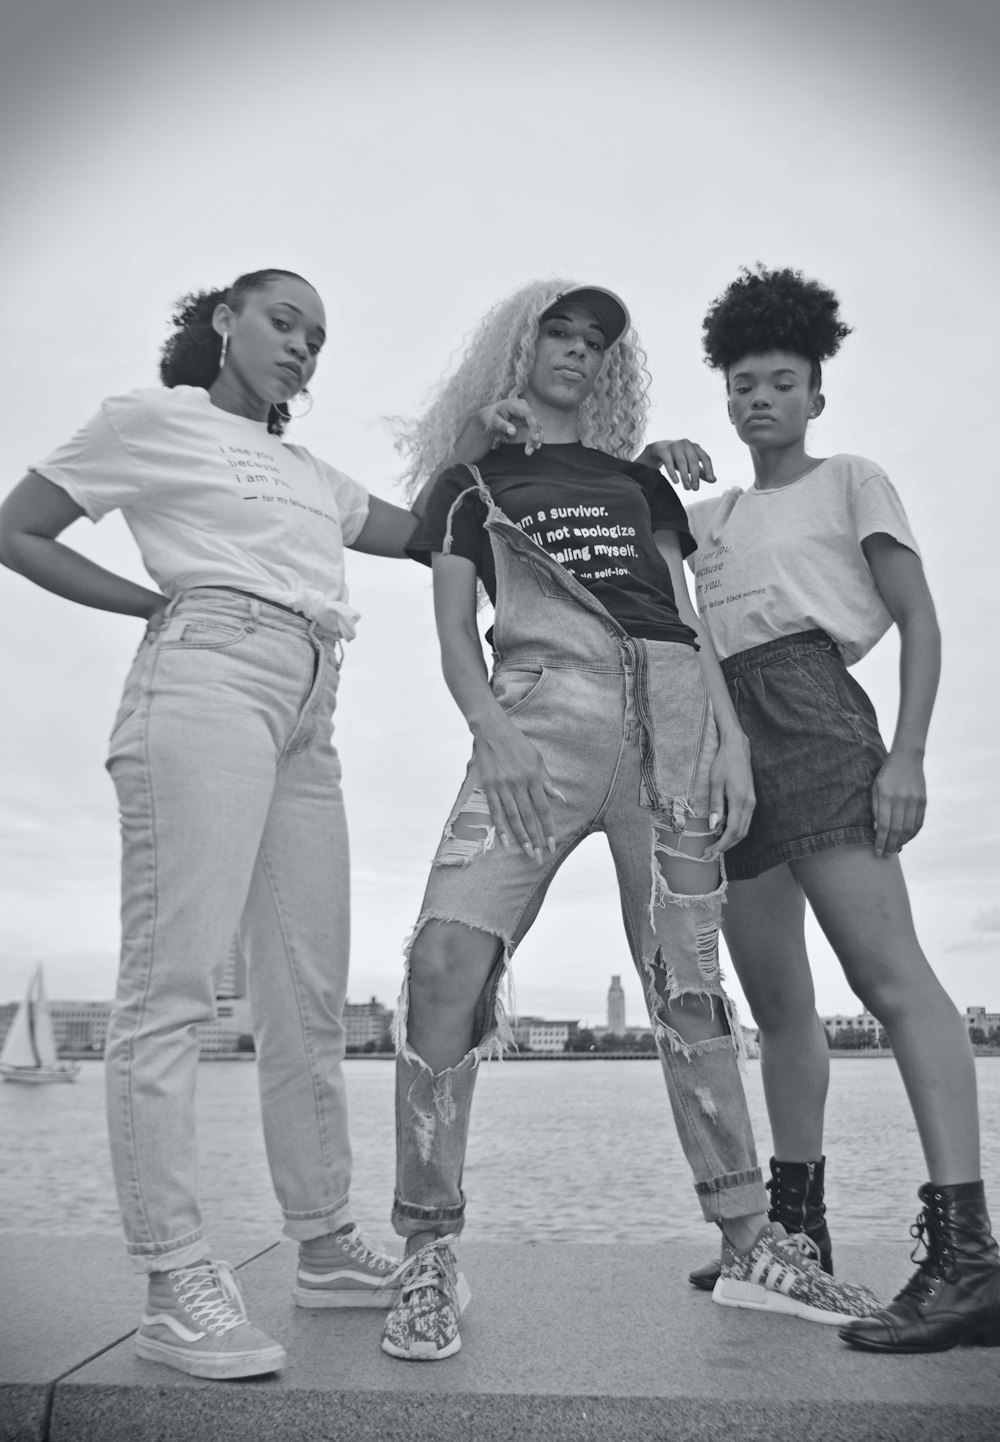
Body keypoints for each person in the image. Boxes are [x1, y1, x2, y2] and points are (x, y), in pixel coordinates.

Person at [379, 279, 881, 1362]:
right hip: (537, 716)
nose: (577, 351)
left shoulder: (641, 475)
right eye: (557, 333)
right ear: (516, 346)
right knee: (442, 961)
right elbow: (454, 617)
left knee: (690, 981)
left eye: (594, 341)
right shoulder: (469, 480)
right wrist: (487, 726)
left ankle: (750, 1242)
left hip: (674, 718)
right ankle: (426, 1251)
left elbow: (680, 606)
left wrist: (731, 741)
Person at [0, 269, 425, 1379]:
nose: (301, 348)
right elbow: (19, 527)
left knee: (307, 994)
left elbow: (429, 530)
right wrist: (149, 603)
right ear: (224, 321)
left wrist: (510, 434)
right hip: (205, 683)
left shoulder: (306, 469)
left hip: (310, 703)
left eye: (318, 338)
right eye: (284, 322)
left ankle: (325, 1240)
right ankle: (173, 1276)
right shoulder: (153, 420)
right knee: (171, 986)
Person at [658, 263, 1000, 1353]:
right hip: (728, 748)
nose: (758, 398)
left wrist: (906, 755)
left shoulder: (851, 477)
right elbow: (611, 524)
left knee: (890, 981)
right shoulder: (704, 515)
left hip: (815, 715)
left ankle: (967, 1254)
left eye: (780, 382)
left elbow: (920, 618)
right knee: (780, 1006)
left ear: (813, 393)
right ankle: (793, 1236)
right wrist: (642, 463)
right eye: (741, 384)